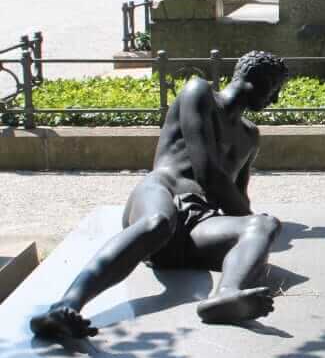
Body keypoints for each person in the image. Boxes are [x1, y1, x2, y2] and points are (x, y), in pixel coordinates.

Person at [30, 51, 290, 339]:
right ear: (257, 78)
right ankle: (64, 306)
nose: (275, 100)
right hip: (163, 191)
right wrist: (248, 237)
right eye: (274, 89)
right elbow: (208, 175)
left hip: (198, 221)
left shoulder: (250, 136)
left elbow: (238, 200)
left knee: (265, 223)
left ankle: (226, 295)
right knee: (157, 222)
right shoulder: (199, 92)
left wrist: (253, 234)